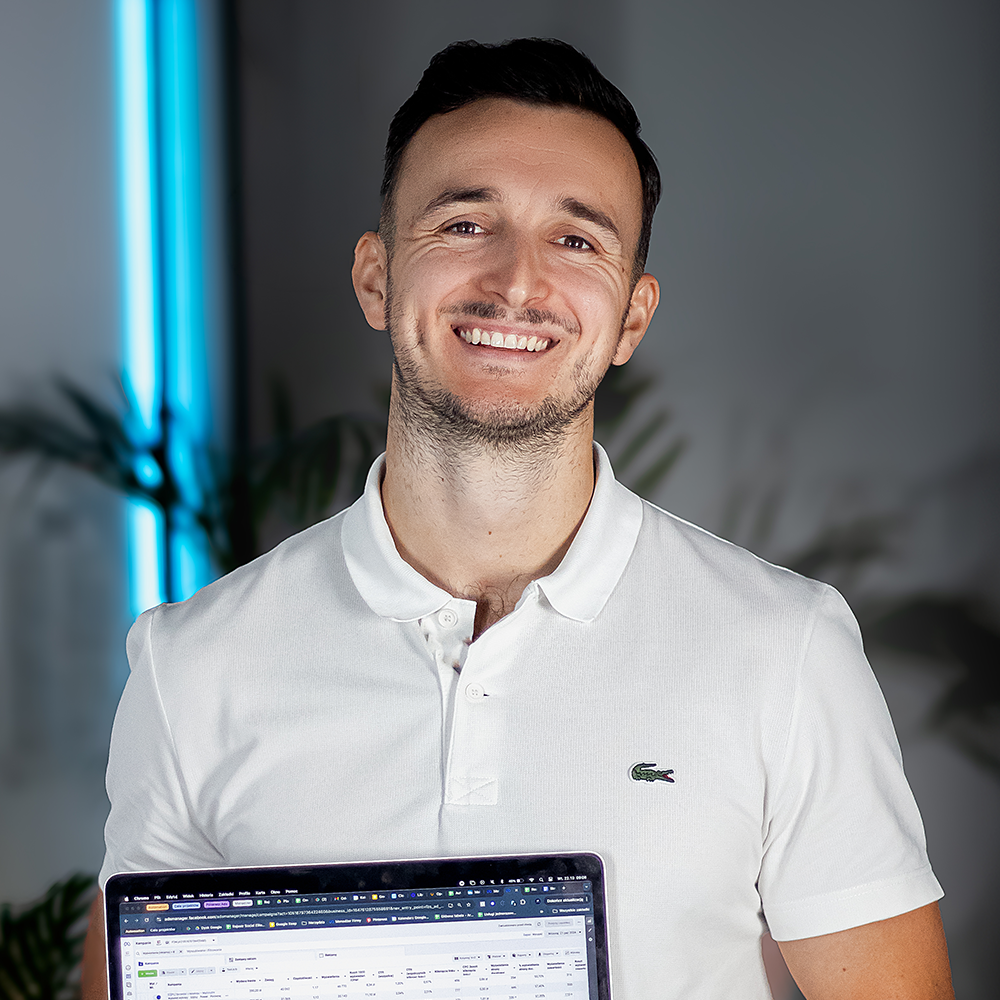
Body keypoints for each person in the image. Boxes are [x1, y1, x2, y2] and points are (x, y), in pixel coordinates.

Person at [83, 38, 954, 999]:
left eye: (577, 241)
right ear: (376, 277)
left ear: (631, 318)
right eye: (464, 224)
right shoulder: (191, 666)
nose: (517, 283)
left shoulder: (784, 649)